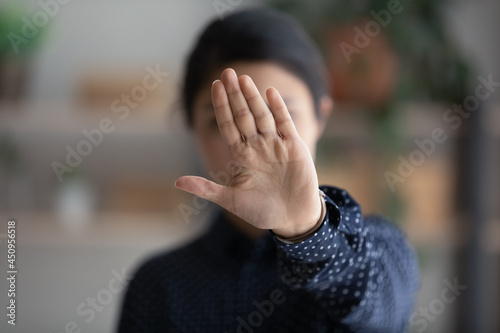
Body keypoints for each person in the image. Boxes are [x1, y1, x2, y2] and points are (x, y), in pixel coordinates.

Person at [117, 7, 419, 333]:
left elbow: (380, 312)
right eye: (224, 121)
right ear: (192, 129)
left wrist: (305, 228)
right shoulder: (159, 285)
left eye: (279, 116)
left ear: (321, 116)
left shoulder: (381, 252)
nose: (253, 141)